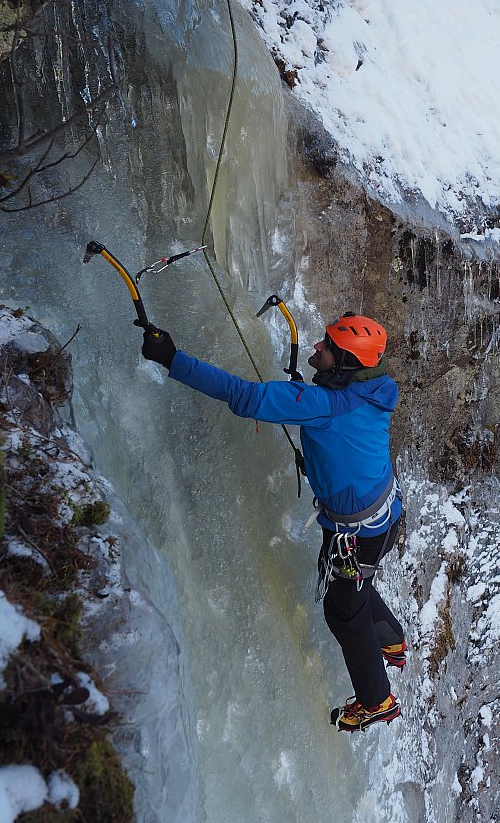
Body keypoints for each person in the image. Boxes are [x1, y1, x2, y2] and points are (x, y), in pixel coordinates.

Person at [141, 310, 406, 733]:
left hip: (359, 534)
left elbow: (246, 398)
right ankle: (390, 638)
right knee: (350, 582)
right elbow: (340, 429)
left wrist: (173, 359)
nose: (317, 347)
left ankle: (378, 702)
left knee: (343, 610)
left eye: (327, 347)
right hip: (383, 517)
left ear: (346, 365)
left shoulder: (325, 404)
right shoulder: (374, 390)